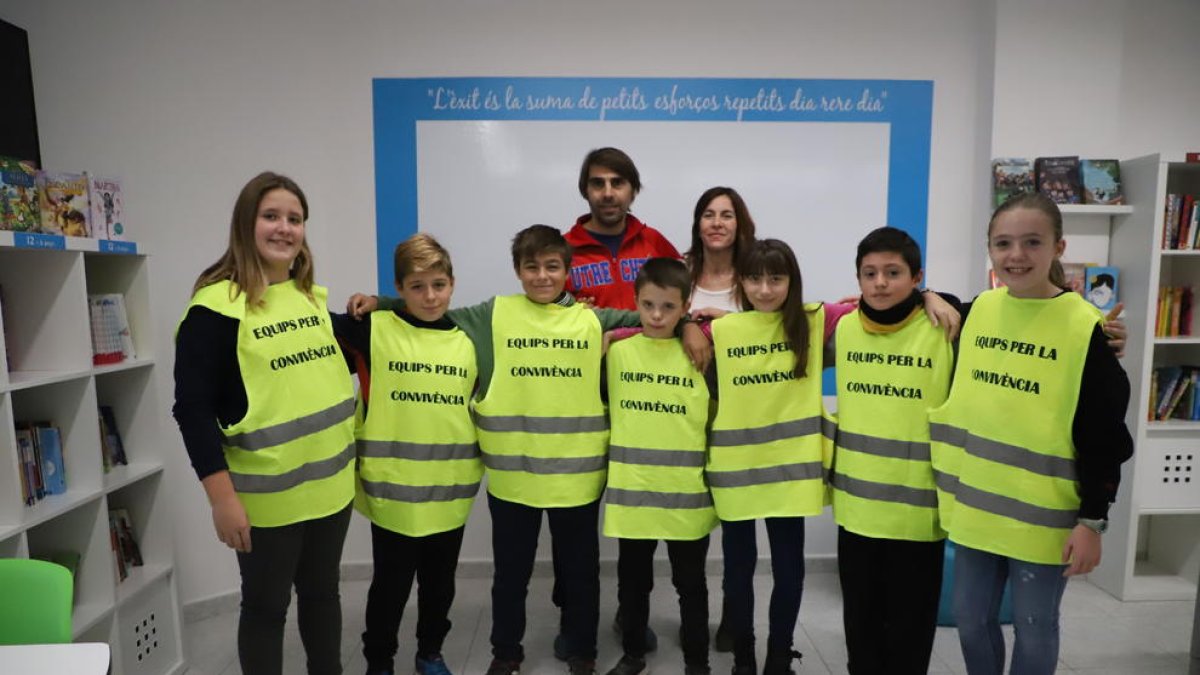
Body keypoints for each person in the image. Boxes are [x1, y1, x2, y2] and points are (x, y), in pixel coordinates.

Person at [350, 225, 669, 675]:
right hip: (511, 478)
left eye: (552, 266)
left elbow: (653, 320)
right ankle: (506, 654)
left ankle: (582, 652)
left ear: (568, 270)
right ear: (518, 271)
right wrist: (382, 304)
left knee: (581, 576)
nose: (542, 276)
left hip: (576, 480)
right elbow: (435, 315)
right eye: (531, 267)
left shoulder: (592, 319)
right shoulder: (493, 314)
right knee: (510, 578)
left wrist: (693, 325)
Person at [929, 193, 1133, 675]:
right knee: (972, 621)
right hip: (976, 509)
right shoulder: (978, 311)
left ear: (1058, 247)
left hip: (1046, 518)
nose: (1016, 255)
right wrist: (926, 293)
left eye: (1031, 242)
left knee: (1035, 624)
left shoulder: (1087, 329)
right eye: (1003, 243)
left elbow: (1106, 437)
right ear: (990, 250)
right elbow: (915, 307)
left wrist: (1093, 522)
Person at [173, 172, 356, 675]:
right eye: (271, 216)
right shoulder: (215, 308)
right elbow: (191, 410)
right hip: (265, 501)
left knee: (323, 596)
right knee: (265, 610)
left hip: (331, 493)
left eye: (294, 219)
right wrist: (221, 499)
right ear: (245, 224)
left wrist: (379, 305)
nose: (284, 228)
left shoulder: (310, 298)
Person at [334, 233, 481, 675]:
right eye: (416, 286)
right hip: (393, 495)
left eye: (438, 284)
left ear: (452, 284)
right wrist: (376, 305)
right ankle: (379, 661)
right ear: (399, 289)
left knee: (439, 586)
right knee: (391, 587)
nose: (430, 296)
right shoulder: (372, 328)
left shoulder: (470, 337)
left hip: (450, 493)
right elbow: (309, 327)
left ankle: (429, 653)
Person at [830, 227, 957, 674]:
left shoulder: (946, 326)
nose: (880, 282)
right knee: (860, 625)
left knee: (910, 628)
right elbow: (774, 321)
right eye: (870, 273)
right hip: (858, 510)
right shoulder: (843, 325)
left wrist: (937, 298)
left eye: (893, 272)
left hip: (918, 514)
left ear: (917, 277)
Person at [706, 238, 831, 675]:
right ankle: (743, 658)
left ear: (791, 281)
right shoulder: (723, 330)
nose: (764, 289)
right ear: (740, 282)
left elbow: (876, 305)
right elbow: (653, 330)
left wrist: (932, 296)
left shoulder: (814, 322)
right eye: (754, 278)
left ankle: (779, 657)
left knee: (789, 572)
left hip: (790, 472)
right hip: (736, 471)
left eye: (775, 278)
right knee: (738, 572)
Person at [601, 258, 716, 675]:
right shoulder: (616, 351)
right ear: (635, 301)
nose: (655, 316)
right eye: (647, 305)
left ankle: (697, 663)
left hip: (687, 496)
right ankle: (632, 655)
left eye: (668, 308)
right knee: (633, 584)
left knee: (691, 585)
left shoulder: (702, 354)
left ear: (685, 305)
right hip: (633, 494)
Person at [565, 147, 681, 310]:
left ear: (633, 191)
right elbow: (548, 311)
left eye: (617, 183)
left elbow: (682, 296)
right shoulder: (562, 249)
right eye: (598, 183)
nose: (607, 193)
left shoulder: (653, 241)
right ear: (585, 191)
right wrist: (570, 310)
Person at [684, 186, 757, 319]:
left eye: (726, 216)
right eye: (708, 215)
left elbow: (769, 327)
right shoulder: (680, 273)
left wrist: (725, 320)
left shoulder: (756, 277)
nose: (717, 223)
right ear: (698, 227)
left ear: (739, 225)